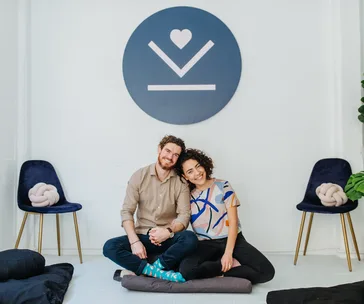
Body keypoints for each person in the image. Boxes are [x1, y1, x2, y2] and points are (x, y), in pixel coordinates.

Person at [103, 135, 198, 282]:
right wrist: (135, 242)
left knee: (190, 238)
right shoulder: (139, 176)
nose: (170, 157)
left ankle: (149, 269)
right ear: (159, 150)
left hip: (168, 237)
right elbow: (127, 212)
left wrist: (168, 231)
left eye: (175, 155)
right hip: (143, 235)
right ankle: (158, 272)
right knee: (109, 247)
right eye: (167, 151)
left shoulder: (181, 183)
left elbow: (184, 216)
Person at [175, 148, 275, 284]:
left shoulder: (223, 186)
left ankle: (225, 270)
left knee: (267, 272)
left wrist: (228, 253)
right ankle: (221, 265)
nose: (197, 173)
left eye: (198, 166)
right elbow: (181, 220)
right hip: (206, 243)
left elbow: (233, 223)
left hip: (233, 239)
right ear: (185, 177)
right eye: (190, 171)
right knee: (186, 271)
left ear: (204, 165)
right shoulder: (187, 195)